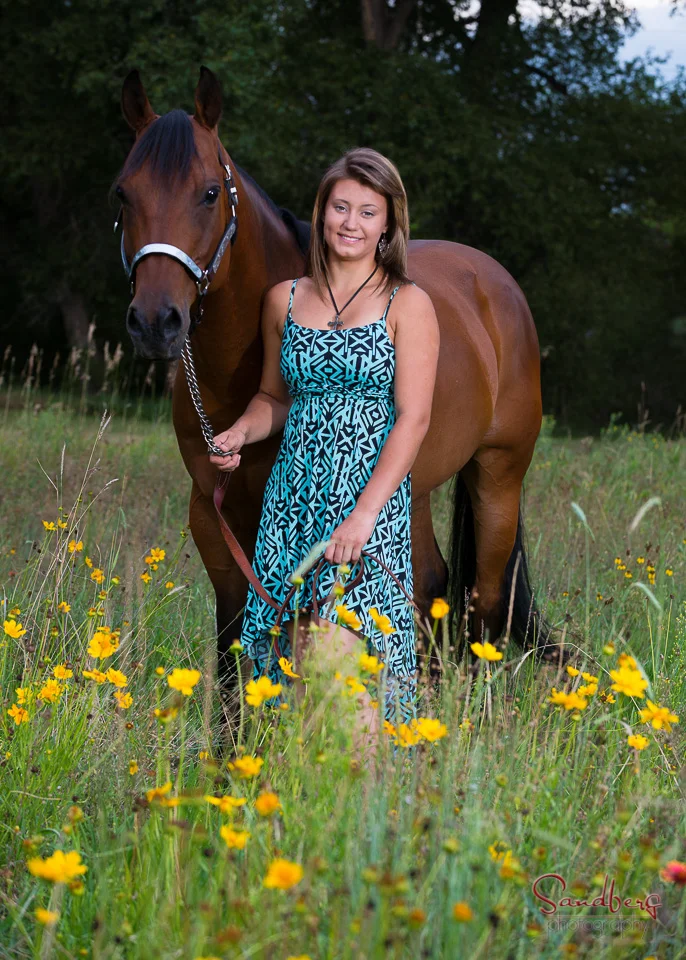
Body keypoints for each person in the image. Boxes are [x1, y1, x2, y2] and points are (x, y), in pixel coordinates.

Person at [210, 147, 439, 757]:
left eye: (368, 211)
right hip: (293, 502)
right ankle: (295, 804)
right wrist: (237, 434)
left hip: (366, 505)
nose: (351, 223)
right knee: (290, 658)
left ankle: (367, 803)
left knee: (350, 663)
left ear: (388, 224)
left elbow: (413, 421)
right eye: (341, 207)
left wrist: (364, 516)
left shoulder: (407, 304)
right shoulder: (283, 300)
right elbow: (273, 398)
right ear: (321, 211)